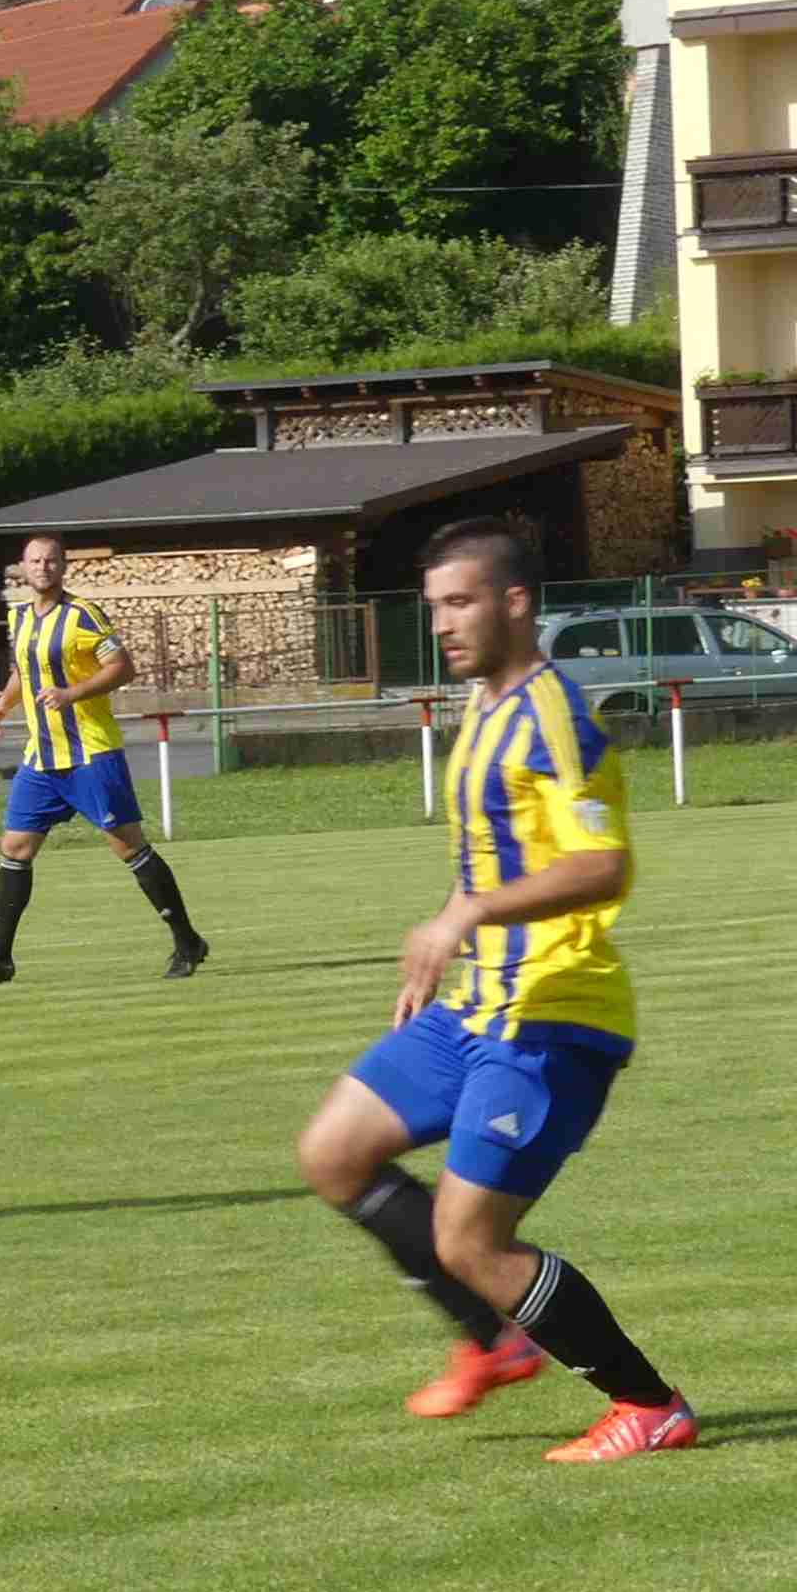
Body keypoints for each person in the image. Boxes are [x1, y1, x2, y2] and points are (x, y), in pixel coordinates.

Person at [291, 519, 696, 1465]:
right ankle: (494, 1340)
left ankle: (649, 1403)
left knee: (470, 1239)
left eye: (460, 602)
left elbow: (601, 863)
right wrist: (443, 937)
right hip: (476, 1008)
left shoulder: (557, 717)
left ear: (516, 603)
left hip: (555, 1013)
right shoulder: (483, 706)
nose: (442, 624)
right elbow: (492, 859)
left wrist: (465, 916)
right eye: (435, 606)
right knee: (334, 1154)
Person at [0, 533, 210, 988]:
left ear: (64, 566)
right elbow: (24, 671)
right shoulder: (19, 616)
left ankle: (187, 940)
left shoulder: (83, 615)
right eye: (35, 561)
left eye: (51, 560)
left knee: (128, 846)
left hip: (90, 752)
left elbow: (123, 668)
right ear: (23, 567)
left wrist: (72, 694)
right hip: (42, 757)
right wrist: (1, 706)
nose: (43, 567)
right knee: (14, 847)